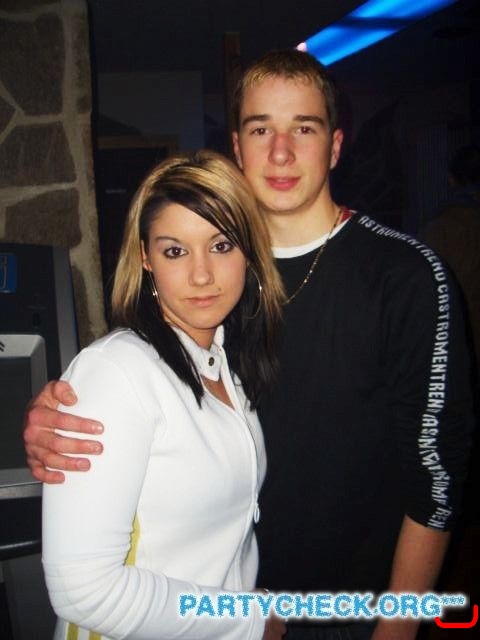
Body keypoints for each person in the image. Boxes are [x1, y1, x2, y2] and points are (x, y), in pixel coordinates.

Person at [25, 50, 474, 640]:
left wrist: (397, 627)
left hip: (352, 609)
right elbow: (140, 402)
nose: (280, 153)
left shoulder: (406, 276)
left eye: (303, 129)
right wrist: (59, 418)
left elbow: (437, 478)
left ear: (335, 146)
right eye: (261, 129)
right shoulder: (215, 277)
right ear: (237, 148)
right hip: (231, 604)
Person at [39, 149, 286, 640]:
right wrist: (248, 620)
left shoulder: (225, 363)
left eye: (221, 245)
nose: (201, 275)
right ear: (146, 258)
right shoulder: (119, 372)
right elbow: (84, 591)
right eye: (175, 251)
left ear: (249, 253)